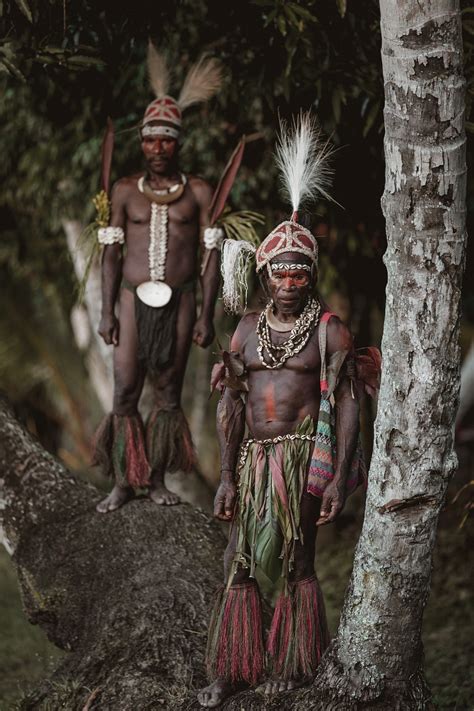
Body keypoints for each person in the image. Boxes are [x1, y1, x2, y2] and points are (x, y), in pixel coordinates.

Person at [198, 114, 377, 707]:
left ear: (311, 275)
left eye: (301, 270)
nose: (291, 279)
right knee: (240, 561)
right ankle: (232, 668)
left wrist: (338, 482)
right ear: (265, 274)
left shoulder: (329, 332)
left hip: (303, 459)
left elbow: (347, 406)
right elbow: (231, 407)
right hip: (252, 463)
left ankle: (293, 666)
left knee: (298, 560)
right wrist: (226, 475)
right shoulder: (245, 330)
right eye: (281, 270)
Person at [93, 44, 223, 513]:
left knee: (168, 393)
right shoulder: (125, 191)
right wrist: (107, 310)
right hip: (130, 302)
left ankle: (156, 479)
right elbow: (111, 255)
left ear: (178, 142)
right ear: (142, 142)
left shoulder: (200, 194)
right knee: (125, 389)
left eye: (167, 139)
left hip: (182, 303)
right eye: (151, 139)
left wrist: (207, 315)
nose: (158, 148)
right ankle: (123, 483)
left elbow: (211, 259)